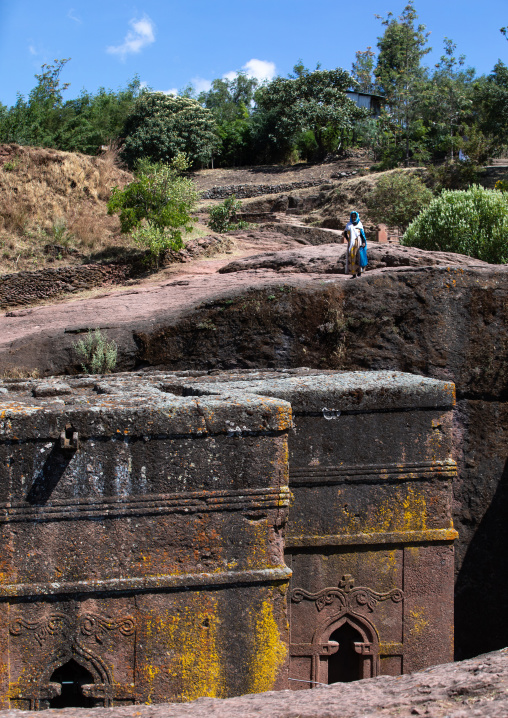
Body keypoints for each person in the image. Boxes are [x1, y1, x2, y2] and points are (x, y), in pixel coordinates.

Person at [344, 211, 367, 278]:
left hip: (358, 242)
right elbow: (345, 232)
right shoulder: (348, 224)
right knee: (352, 257)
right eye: (352, 217)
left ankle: (359, 273)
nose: (354, 218)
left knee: (358, 257)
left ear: (357, 217)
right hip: (351, 243)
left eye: (355, 217)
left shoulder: (359, 224)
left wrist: (363, 242)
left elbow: (362, 235)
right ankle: (353, 274)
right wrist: (348, 238)